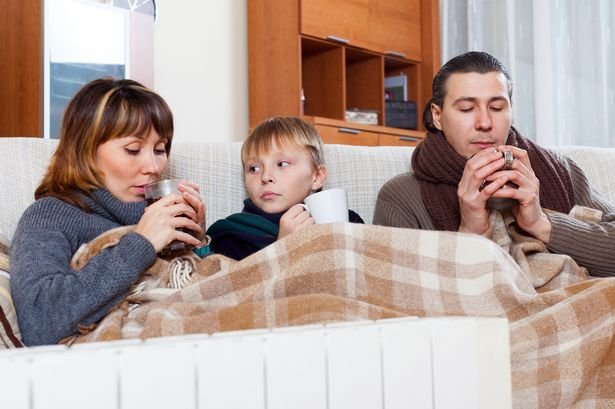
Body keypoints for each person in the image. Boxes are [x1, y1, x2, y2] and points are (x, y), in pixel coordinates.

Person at [373, 51, 615, 277]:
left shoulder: (561, 171)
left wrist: (541, 223)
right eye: (467, 108)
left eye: (497, 108)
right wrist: (469, 232)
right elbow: (396, 292)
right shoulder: (400, 197)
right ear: (438, 116)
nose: (485, 123)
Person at [10, 78, 208, 346]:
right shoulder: (49, 215)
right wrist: (143, 243)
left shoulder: (164, 215)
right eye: (133, 149)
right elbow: (40, 320)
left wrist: (198, 243)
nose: (153, 166)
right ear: (86, 150)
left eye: (160, 149)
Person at [207, 116, 364, 260]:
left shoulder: (349, 221)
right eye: (254, 168)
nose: (265, 176)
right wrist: (282, 249)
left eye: (282, 164)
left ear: (316, 176)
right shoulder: (232, 235)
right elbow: (235, 287)